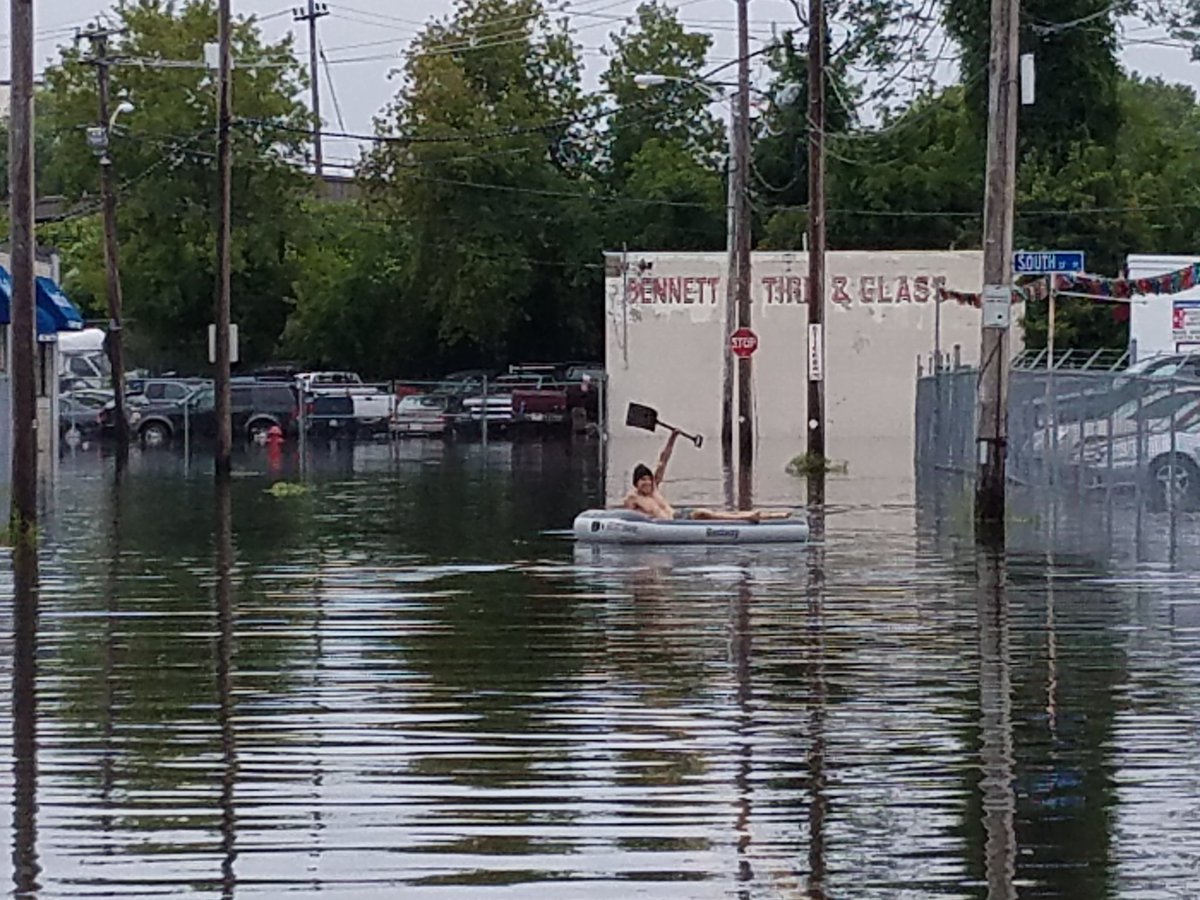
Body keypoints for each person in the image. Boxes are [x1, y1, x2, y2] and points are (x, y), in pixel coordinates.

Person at [622, 429, 781, 522]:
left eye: (648, 478)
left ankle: (768, 515)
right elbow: (629, 519)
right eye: (643, 480)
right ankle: (748, 517)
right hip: (665, 525)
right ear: (636, 483)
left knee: (708, 513)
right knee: (704, 513)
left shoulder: (655, 488)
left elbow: (663, 460)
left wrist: (673, 437)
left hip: (678, 518)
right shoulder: (633, 498)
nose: (647, 482)